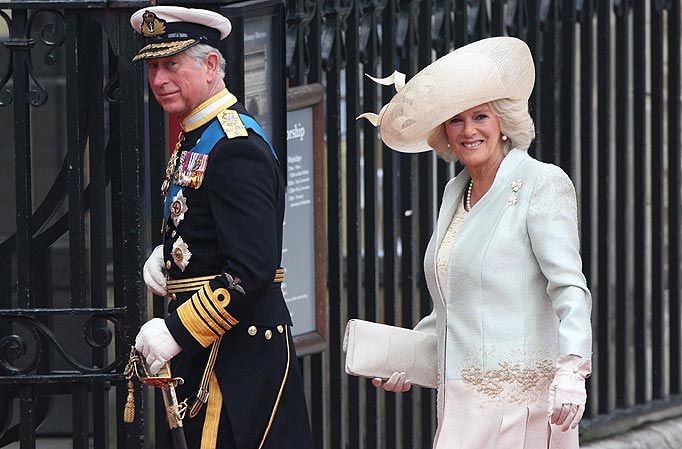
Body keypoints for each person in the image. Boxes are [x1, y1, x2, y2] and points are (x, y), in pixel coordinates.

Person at [357, 36, 592, 448]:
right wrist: (407, 358)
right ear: (444, 131)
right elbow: (457, 302)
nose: (469, 131)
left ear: (503, 121)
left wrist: (573, 368)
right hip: (462, 400)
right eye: (456, 120)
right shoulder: (455, 192)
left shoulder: (542, 183)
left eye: (480, 116)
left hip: (523, 406)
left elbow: (570, 286)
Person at [129, 6, 314, 449]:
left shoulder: (234, 145)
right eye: (153, 67)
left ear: (211, 65)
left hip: (237, 359)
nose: (159, 79)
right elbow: (206, 222)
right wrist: (169, 256)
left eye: (172, 65)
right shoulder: (197, 132)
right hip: (209, 351)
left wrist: (176, 330)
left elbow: (251, 268)